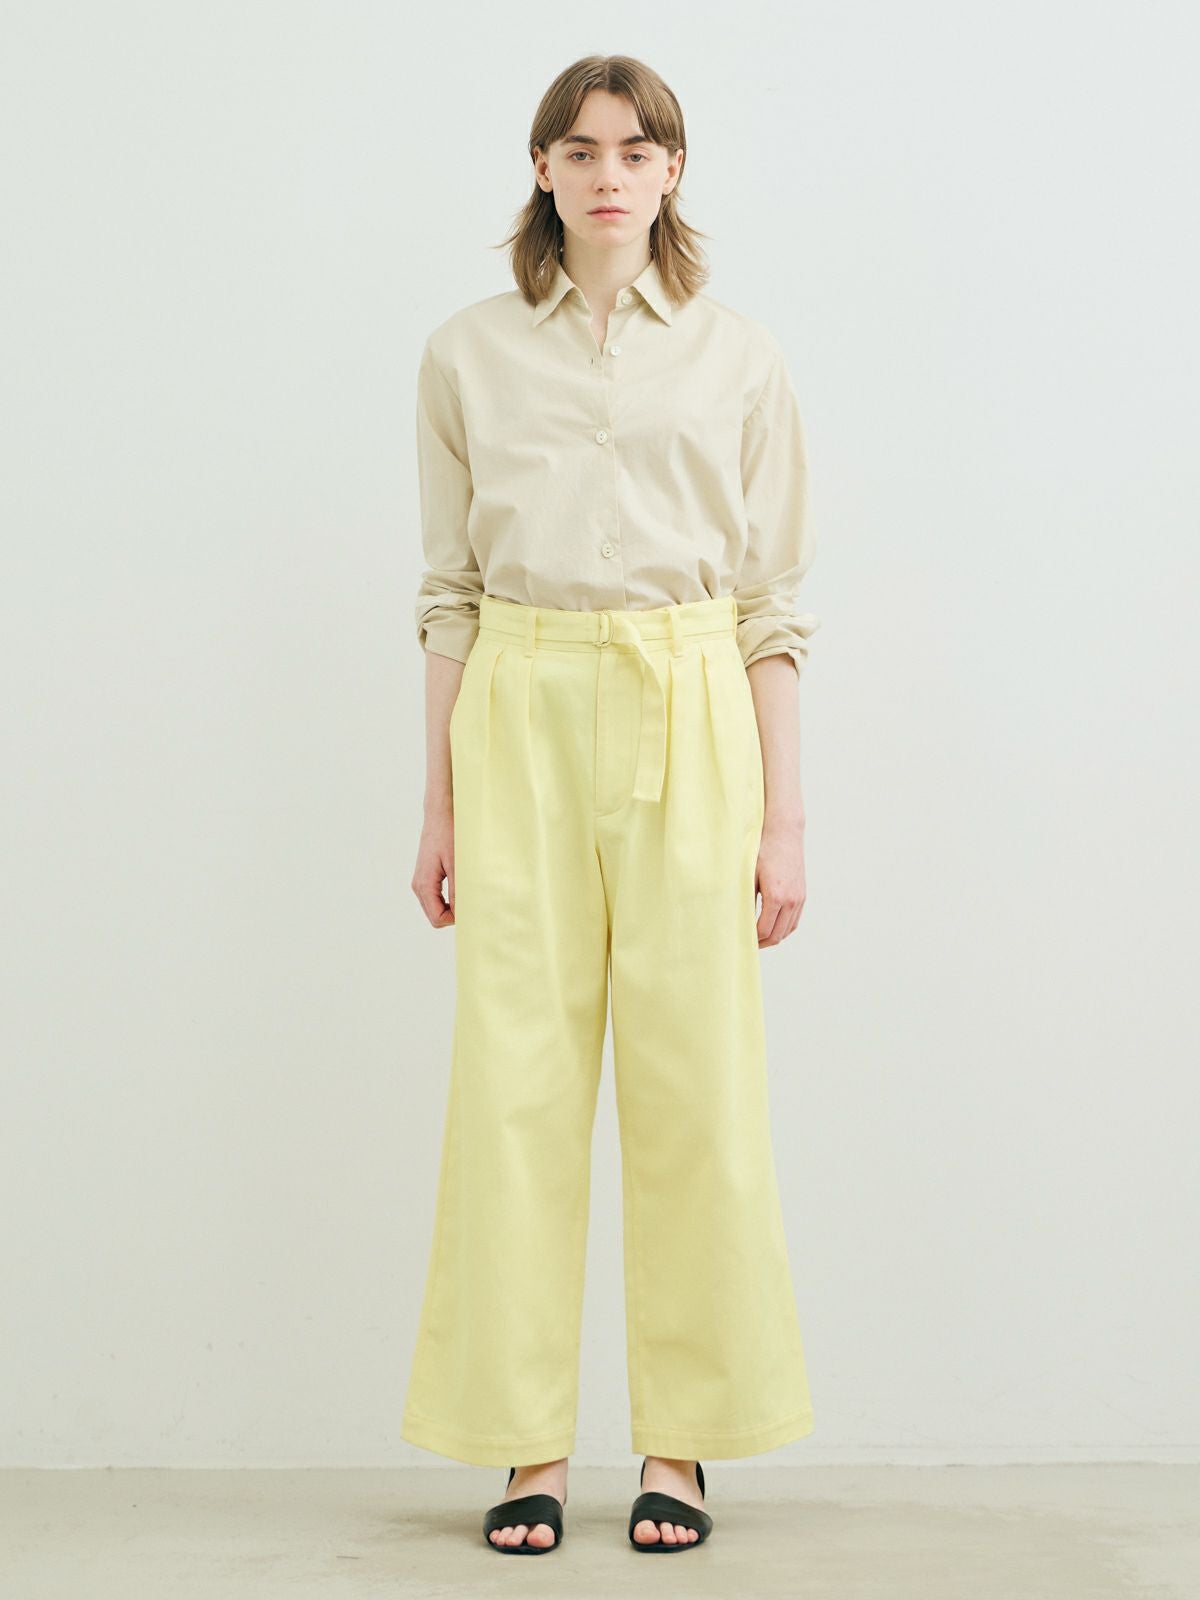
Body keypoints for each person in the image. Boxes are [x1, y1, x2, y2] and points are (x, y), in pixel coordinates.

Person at [401, 54, 820, 1555]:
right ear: (541, 168)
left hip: (690, 696)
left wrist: (784, 821)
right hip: (517, 702)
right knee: (513, 1082)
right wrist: (437, 805)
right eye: (579, 150)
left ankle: (681, 1448)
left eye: (637, 151)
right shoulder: (467, 354)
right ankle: (524, 1444)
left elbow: (772, 605)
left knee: (694, 1079)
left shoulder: (738, 358)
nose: (607, 175)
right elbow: (448, 591)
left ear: (673, 172)